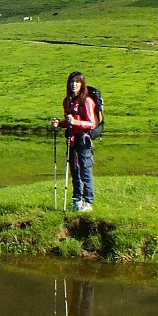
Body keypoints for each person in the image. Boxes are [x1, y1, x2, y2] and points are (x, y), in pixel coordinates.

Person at [53, 70, 98, 212]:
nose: (74, 84)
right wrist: (59, 124)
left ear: (82, 84)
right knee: (74, 170)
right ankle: (77, 200)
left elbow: (91, 124)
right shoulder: (67, 101)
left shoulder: (87, 101)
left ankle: (88, 202)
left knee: (85, 170)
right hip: (71, 139)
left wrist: (75, 122)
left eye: (77, 82)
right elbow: (69, 122)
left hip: (83, 139)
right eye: (72, 82)